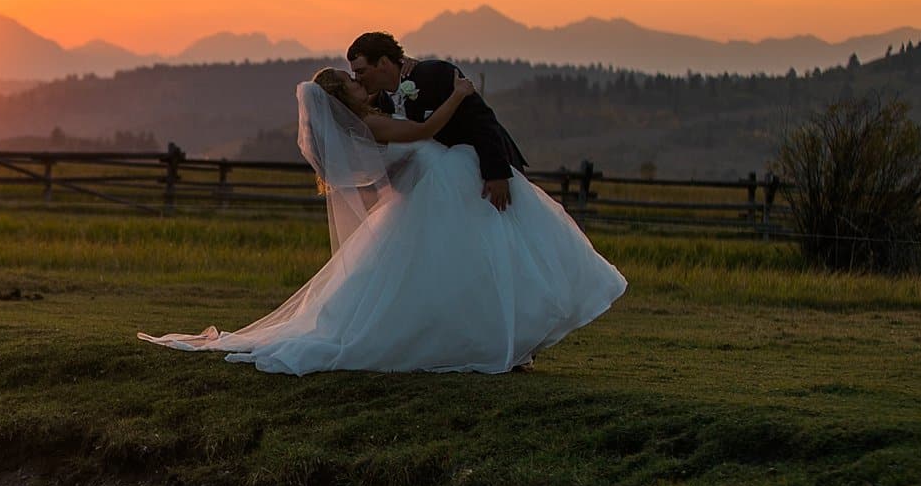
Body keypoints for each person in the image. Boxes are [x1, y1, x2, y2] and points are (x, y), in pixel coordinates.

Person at [137, 67, 626, 374]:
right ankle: (491, 341)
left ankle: (505, 341)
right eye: (352, 82)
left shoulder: (365, 125)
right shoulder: (370, 126)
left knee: (462, 274)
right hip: (443, 192)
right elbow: (425, 130)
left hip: (442, 193)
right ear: (341, 98)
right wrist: (460, 93)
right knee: (469, 272)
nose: (360, 82)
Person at [348, 31, 526, 211]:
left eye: (361, 71)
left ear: (383, 63)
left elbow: (481, 119)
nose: (358, 79)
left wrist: (496, 174)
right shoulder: (379, 106)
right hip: (438, 192)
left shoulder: (434, 74)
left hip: (480, 173)